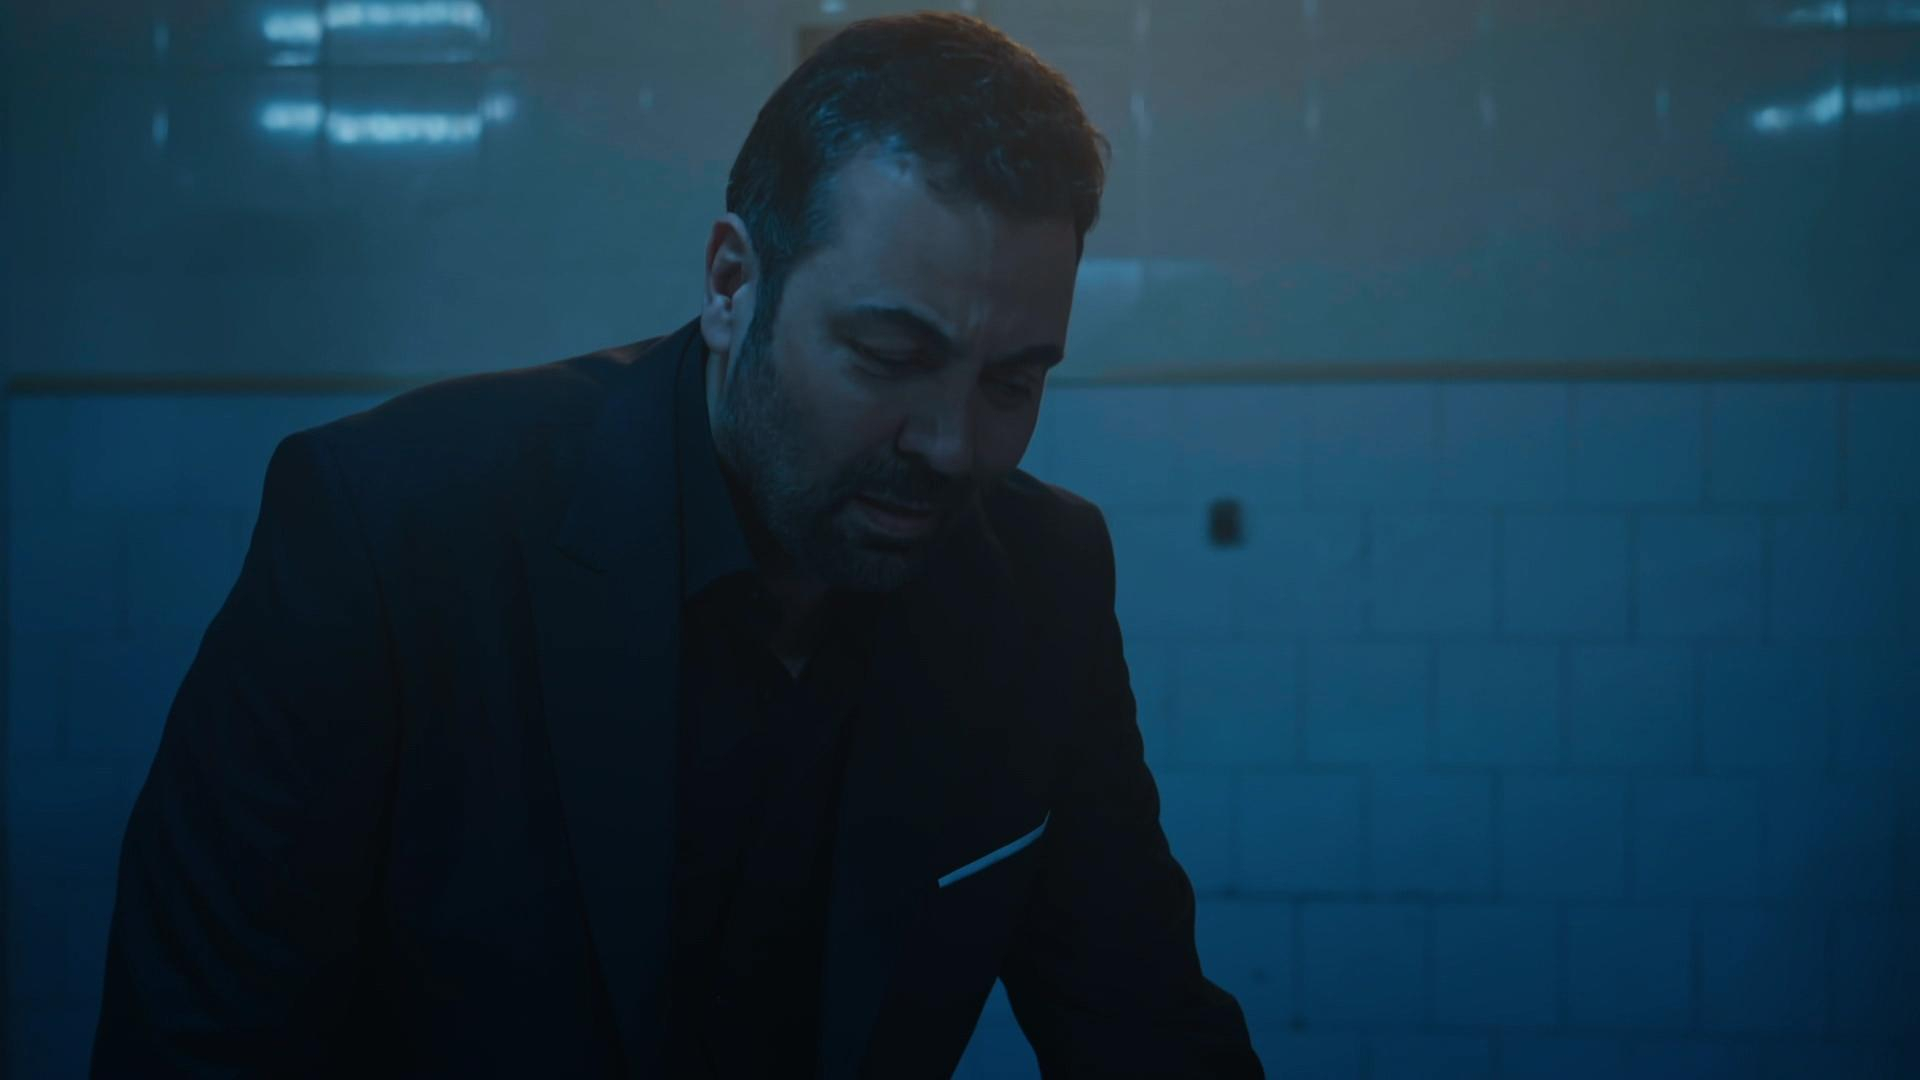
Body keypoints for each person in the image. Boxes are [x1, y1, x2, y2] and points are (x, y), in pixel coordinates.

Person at [91, 12, 1263, 1078]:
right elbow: (196, 1043)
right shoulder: (389, 532)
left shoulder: (1042, 583)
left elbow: (1146, 1021)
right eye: (891, 358)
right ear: (731, 284)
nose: (954, 446)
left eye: (1013, 381)